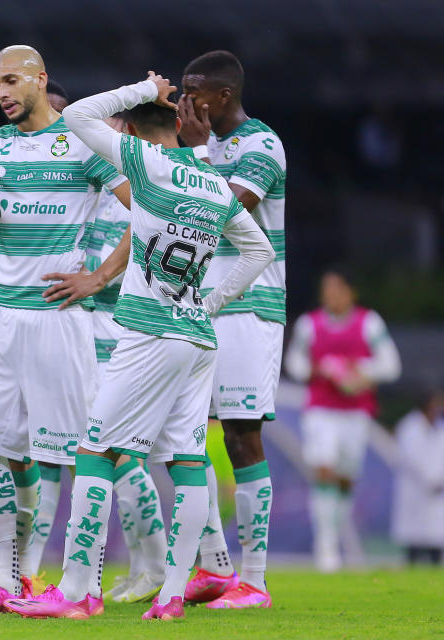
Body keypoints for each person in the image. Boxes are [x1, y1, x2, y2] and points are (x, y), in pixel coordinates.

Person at [3, 71, 275, 621]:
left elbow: (76, 114)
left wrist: (144, 89)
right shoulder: (210, 182)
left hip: (148, 331)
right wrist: (210, 303)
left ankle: (77, 594)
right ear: (181, 125)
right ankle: (173, 596)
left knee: (95, 451)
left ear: (130, 129)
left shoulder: (147, 165)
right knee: (189, 460)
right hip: (198, 337)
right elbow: (260, 251)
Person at [0, 45, 132, 612]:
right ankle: (4, 583)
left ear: (41, 79)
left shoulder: (84, 140)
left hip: (58, 319)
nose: (2, 93)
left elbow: (149, 212)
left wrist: (99, 277)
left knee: (82, 454)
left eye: (11, 81)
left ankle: (87, 586)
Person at [177, 50, 286, 608]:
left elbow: (223, 212)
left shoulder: (261, 145)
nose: (182, 100)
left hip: (249, 306)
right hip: (195, 305)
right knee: (181, 437)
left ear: (221, 95)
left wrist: (192, 157)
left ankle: (255, 581)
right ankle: (215, 566)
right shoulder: (199, 145)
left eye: (193, 91)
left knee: (242, 436)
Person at [89, 112, 167, 605]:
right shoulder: (99, 184)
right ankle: (143, 563)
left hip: (121, 325)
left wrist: (95, 279)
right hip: (92, 324)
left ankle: (155, 564)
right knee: (113, 450)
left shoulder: (136, 187)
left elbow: (140, 248)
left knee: (118, 450)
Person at [284, 268, 402, 571]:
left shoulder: (369, 322)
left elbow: (390, 364)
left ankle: (337, 536)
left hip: (356, 411)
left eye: (337, 289)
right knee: (324, 468)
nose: (331, 295)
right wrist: (319, 369)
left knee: (346, 476)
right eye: (327, 289)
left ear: (351, 292)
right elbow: (295, 362)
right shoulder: (310, 324)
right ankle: (325, 546)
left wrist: (361, 372)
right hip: (321, 409)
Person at [392, 390, 444, 565]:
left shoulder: (440, 428)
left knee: (435, 540)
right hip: (415, 491)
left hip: (438, 493)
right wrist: (431, 479)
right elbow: (411, 458)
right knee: (414, 541)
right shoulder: (409, 428)